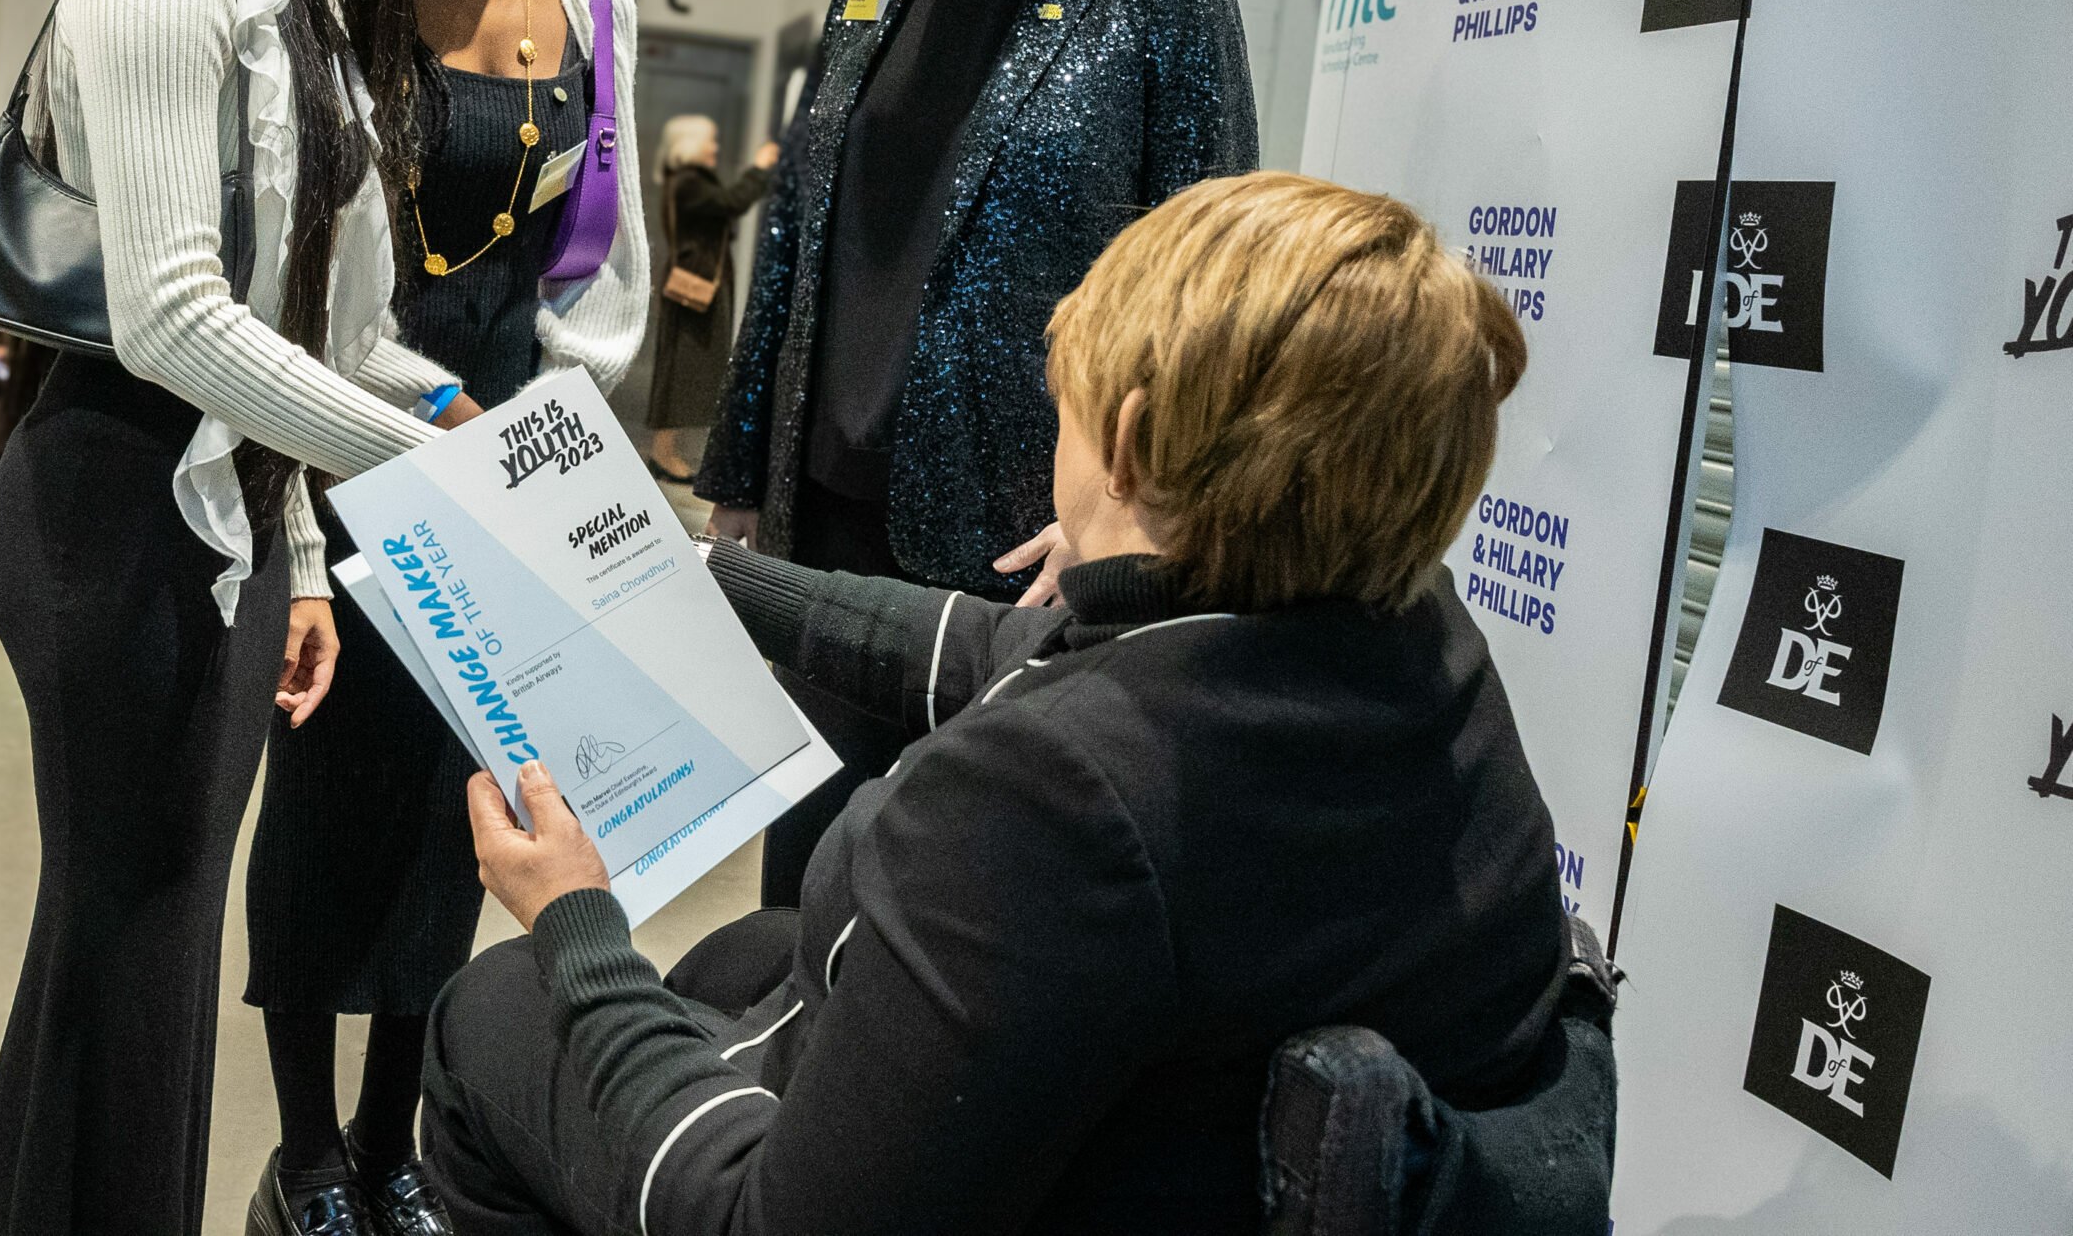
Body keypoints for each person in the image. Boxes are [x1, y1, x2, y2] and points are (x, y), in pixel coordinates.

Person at [418, 171, 1567, 1235]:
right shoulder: (1392, 632)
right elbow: (993, 648)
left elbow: (774, 1221)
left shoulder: (1054, 794)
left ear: (1123, 440)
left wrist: (576, 920)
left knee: (498, 1005)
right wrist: (680, 565)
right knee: (742, 958)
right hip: (1194, 1144)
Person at [0, 0, 475, 1236]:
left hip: (225, 521)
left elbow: (316, 324)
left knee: (153, 940)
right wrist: (420, 467)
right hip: (112, 510)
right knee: (129, 936)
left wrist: (308, 549)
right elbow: (174, 317)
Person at [695, 0, 1259, 904]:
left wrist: (1130, 506)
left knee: (955, 910)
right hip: (828, 523)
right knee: (807, 894)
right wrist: (739, 475)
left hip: (1019, 549)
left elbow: (1205, 292)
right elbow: (793, 239)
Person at [238, 0, 648, 1236]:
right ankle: (308, 1152)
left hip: (506, 454)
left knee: (460, 803)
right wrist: (402, 405)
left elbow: (601, 268)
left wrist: (558, 431)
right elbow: (302, 247)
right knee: (327, 799)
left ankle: (396, 1139)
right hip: (349, 430)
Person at [644, 115, 776, 483]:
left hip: (698, 285)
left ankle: (664, 450)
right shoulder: (688, 182)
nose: (715, 149)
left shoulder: (687, 181)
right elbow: (732, 202)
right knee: (685, 370)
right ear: (689, 143)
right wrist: (760, 169)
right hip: (695, 290)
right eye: (709, 141)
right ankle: (663, 452)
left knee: (686, 368)